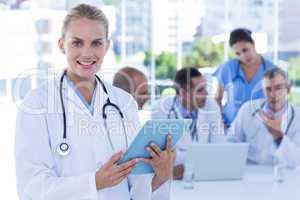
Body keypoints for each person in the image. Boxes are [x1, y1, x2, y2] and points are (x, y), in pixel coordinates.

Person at [15, 4, 174, 200]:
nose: (87, 53)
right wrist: (95, 182)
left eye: (96, 43)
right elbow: (32, 187)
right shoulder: (36, 103)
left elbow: (137, 188)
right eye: (77, 43)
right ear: (61, 45)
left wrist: (162, 173)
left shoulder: (124, 102)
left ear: (107, 46)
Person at [151, 67, 225, 179]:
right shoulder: (161, 109)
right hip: (173, 178)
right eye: (200, 90)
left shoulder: (211, 106)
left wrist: (192, 165)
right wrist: (172, 170)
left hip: (205, 174)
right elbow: (159, 151)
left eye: (205, 88)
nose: (206, 93)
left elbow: (219, 146)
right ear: (184, 93)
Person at [227, 67, 300, 168]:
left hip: (282, 175)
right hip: (250, 173)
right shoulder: (247, 109)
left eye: (278, 88)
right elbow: (230, 142)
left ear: (288, 89)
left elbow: (296, 161)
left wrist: (278, 136)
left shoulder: (297, 117)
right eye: (268, 89)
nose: (273, 95)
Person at [213, 28, 275, 128]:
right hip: (231, 126)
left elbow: (276, 101)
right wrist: (219, 120)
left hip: (260, 127)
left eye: (245, 50)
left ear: (253, 44)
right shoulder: (228, 68)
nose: (243, 56)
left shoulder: (271, 69)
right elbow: (217, 98)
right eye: (238, 53)